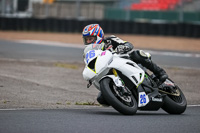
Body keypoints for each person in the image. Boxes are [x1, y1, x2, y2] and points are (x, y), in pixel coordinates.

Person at [82, 24, 168, 105]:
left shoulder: (110, 40)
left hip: (124, 61)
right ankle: (123, 97)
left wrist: (123, 47)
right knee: (101, 99)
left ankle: (160, 72)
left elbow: (128, 44)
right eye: (87, 40)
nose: (89, 41)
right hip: (107, 70)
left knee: (137, 54)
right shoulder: (88, 53)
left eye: (91, 39)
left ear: (98, 36)